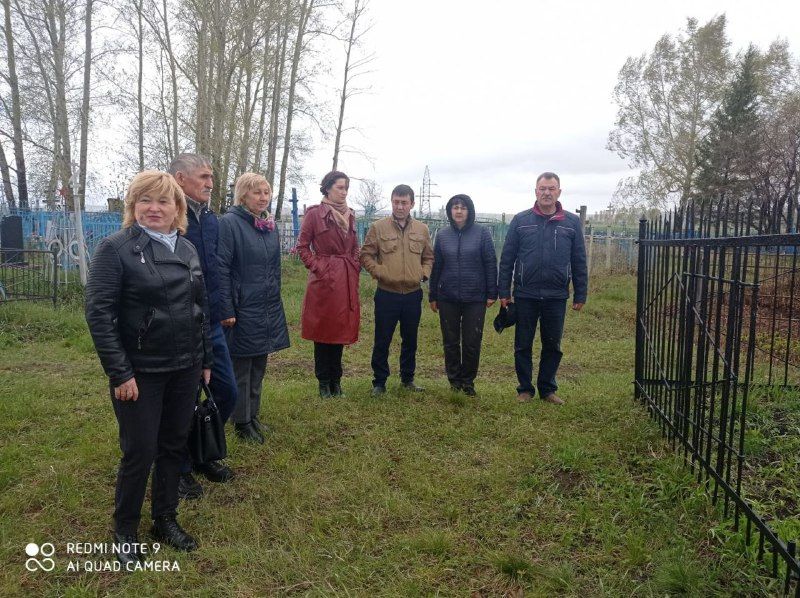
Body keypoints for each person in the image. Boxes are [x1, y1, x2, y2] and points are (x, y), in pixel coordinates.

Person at [85, 171, 211, 563]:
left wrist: (204, 359)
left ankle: (164, 517)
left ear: (178, 209)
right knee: (139, 451)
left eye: (163, 202)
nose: (154, 209)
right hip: (140, 372)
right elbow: (98, 313)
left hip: (184, 367)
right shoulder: (115, 249)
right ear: (132, 207)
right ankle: (125, 531)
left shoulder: (188, 249)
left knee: (173, 445)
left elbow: (199, 308)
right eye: (144, 201)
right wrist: (120, 372)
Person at [169, 154, 239, 498]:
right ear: (181, 178)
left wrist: (223, 308)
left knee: (226, 391)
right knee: (182, 400)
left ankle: (201, 452)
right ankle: (177, 467)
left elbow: (217, 269)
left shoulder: (211, 219)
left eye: (212, 177)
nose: (210, 183)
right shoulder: (168, 217)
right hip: (177, 325)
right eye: (203, 176)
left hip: (210, 322)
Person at [497, 171, 587, 405]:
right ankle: (525, 389)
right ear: (535, 191)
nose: (547, 193)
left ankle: (547, 389)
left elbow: (579, 260)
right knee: (522, 344)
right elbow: (507, 259)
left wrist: (581, 292)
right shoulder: (521, 220)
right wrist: (504, 292)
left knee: (552, 345)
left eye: (551, 188)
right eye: (542, 188)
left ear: (559, 191)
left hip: (556, 295)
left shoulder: (571, 223)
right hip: (525, 294)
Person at [217, 173, 289, 439]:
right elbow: (221, 268)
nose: (263, 197)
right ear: (243, 195)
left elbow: (275, 269)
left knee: (259, 364)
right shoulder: (230, 224)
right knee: (242, 368)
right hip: (241, 307)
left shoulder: (268, 226)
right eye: (257, 192)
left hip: (266, 306)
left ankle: (253, 415)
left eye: (266, 192)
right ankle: (241, 422)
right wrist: (226, 308)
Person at [360, 184, 434, 395]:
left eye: (404, 202)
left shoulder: (422, 229)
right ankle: (379, 382)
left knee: (410, 339)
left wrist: (424, 273)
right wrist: (379, 271)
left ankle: (407, 379)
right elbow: (366, 255)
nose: (400, 206)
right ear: (391, 202)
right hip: (386, 294)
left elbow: (428, 256)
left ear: (412, 203)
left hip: (412, 294)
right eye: (396, 202)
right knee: (382, 339)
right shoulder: (378, 227)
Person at [295, 171, 360, 398]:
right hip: (324, 282)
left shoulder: (351, 215)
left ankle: (336, 381)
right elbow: (302, 247)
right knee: (323, 331)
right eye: (340, 187)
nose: (343, 192)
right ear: (328, 188)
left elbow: (354, 247)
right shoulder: (315, 214)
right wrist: (319, 267)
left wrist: (354, 264)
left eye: (346, 188)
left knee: (340, 330)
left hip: (346, 278)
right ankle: (323, 382)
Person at [428, 194, 498, 396]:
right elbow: (437, 266)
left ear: (470, 211)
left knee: (471, 341)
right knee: (450, 341)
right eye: (455, 207)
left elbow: (490, 263)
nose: (459, 211)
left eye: (463, 207)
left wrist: (492, 292)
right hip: (447, 296)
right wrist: (433, 295)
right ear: (450, 211)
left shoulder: (482, 233)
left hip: (475, 297)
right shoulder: (442, 235)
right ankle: (454, 381)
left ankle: (468, 382)